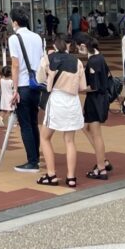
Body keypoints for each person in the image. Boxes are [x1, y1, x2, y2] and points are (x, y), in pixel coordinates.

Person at [36, 35, 85, 188]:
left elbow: (39, 79)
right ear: (68, 46)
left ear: (55, 45)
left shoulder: (48, 59)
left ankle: (51, 174)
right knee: (70, 140)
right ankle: (71, 177)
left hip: (56, 100)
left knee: (45, 137)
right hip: (72, 101)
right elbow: (82, 87)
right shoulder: (77, 62)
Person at [8, 9, 45, 173]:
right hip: (36, 84)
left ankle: (32, 162)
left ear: (15, 22)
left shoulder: (14, 38)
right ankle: (35, 156)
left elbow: (15, 65)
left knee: (25, 125)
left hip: (23, 85)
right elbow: (43, 60)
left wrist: (14, 90)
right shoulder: (37, 37)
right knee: (33, 121)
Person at [79, 37, 113, 180]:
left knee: (96, 133)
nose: (78, 49)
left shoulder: (93, 61)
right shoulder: (99, 57)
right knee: (85, 126)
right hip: (99, 99)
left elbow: (94, 86)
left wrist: (78, 90)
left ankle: (101, 168)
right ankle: (102, 160)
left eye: (80, 46)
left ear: (84, 46)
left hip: (95, 100)